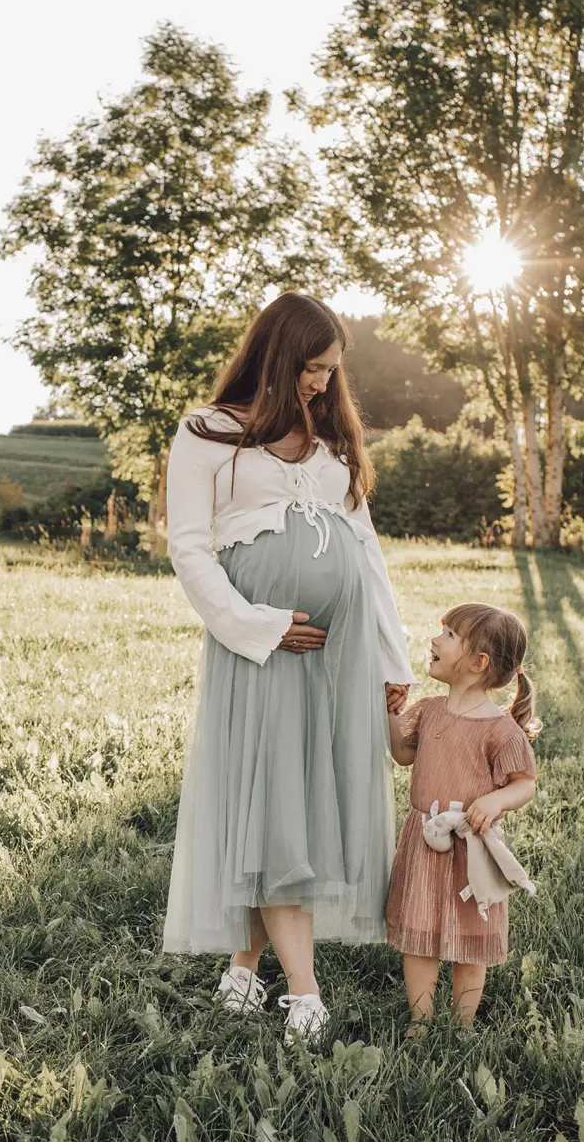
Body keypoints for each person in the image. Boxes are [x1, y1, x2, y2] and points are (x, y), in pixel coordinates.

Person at [162, 292, 414, 1044]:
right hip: (263, 651)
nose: (320, 384)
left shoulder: (332, 443)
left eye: (330, 371)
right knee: (273, 804)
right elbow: (189, 547)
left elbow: (366, 555)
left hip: (338, 655)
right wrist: (259, 625)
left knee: (295, 806)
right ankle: (302, 992)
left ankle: (244, 967)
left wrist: (390, 662)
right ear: (276, 359)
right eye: (309, 369)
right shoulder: (207, 433)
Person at [385, 603, 540, 1030]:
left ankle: (463, 1022)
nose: (434, 640)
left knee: (471, 941)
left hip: (470, 845)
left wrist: (496, 801)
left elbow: (524, 782)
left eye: (449, 635)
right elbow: (403, 755)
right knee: (419, 937)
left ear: (478, 663)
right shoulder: (431, 709)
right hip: (424, 841)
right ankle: (421, 1019)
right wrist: (393, 711)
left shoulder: (498, 728)